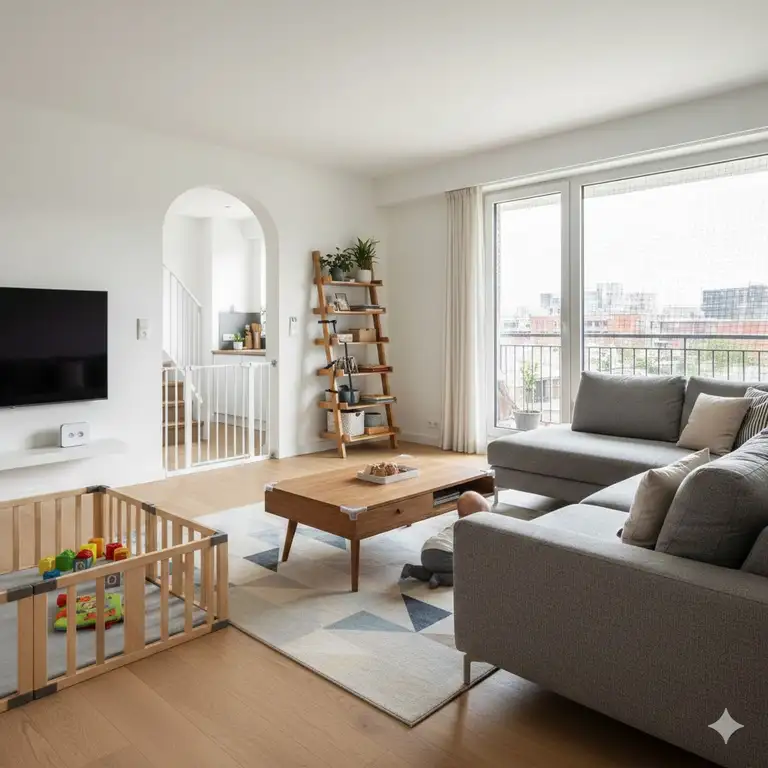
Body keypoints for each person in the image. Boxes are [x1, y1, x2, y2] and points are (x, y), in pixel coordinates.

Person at [400, 490, 491, 589]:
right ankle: (440, 578)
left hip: (426, 553)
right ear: (476, 516)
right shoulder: (473, 528)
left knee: (441, 567)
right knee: (467, 572)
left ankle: (413, 570)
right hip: (444, 554)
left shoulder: (455, 525)